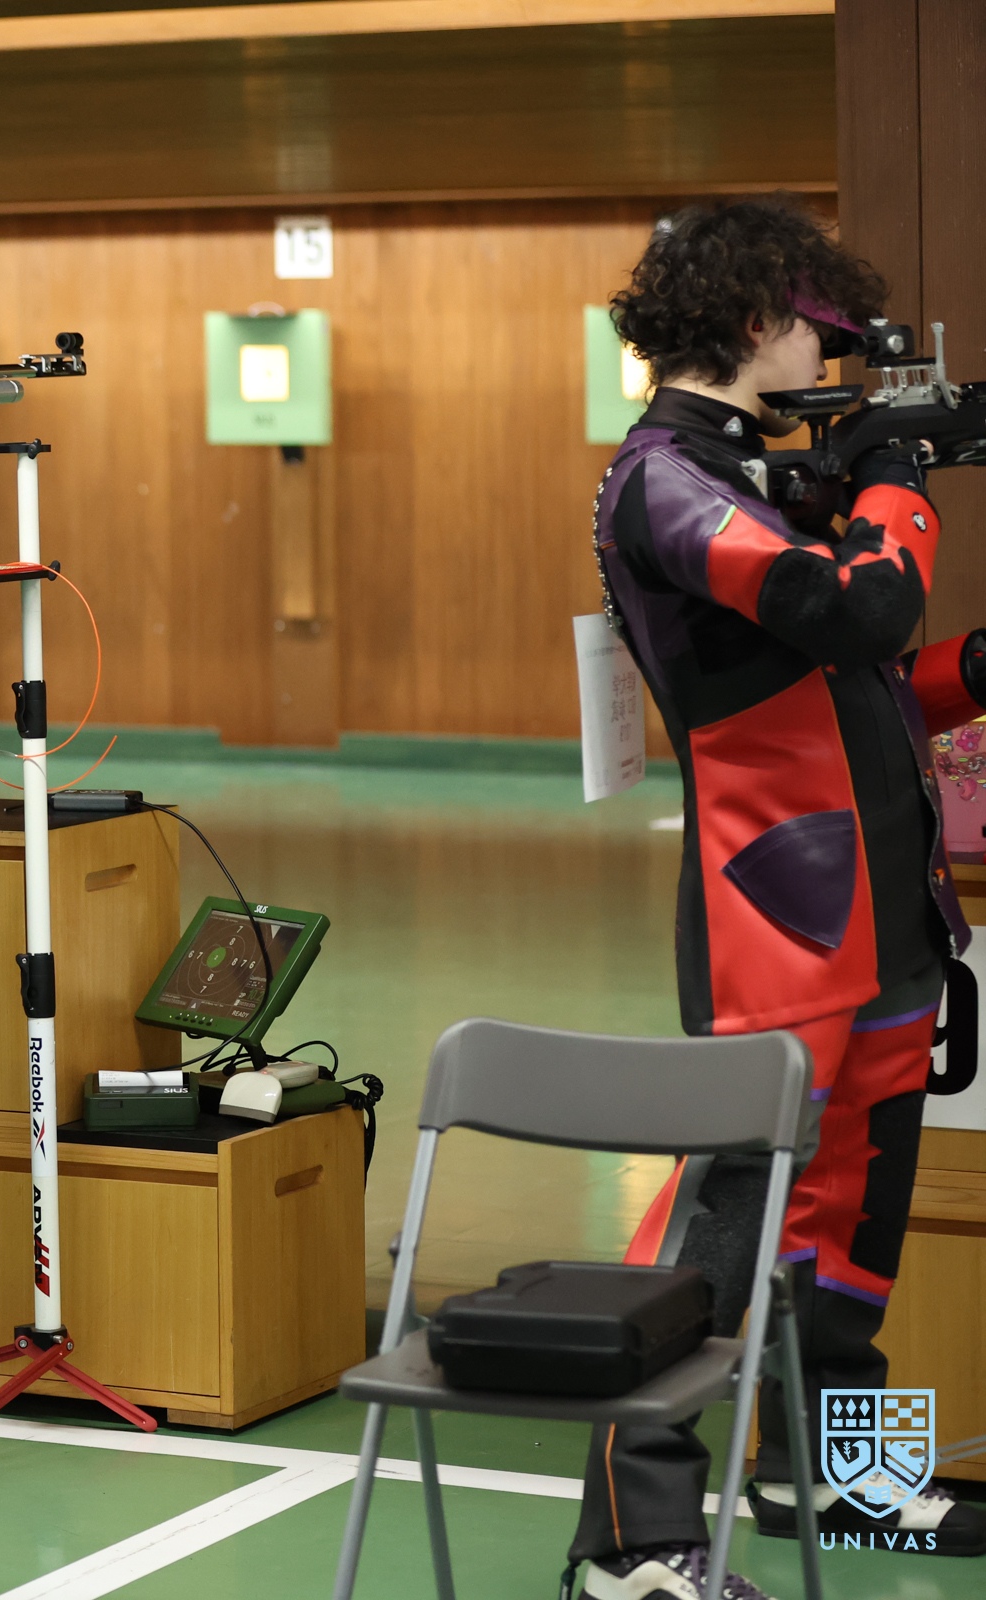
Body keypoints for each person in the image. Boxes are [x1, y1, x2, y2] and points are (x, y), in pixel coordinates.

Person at [581, 197, 985, 1597]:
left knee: (853, 1235)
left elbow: (862, 684)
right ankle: (633, 1543)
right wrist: (897, 482)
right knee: (722, 1230)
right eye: (824, 333)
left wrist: (976, 669)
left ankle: (838, 1479)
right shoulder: (662, 480)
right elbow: (856, 609)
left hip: (881, 915)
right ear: (756, 322)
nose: (836, 361)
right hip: (781, 925)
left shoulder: (749, 473)